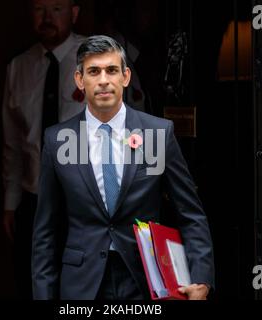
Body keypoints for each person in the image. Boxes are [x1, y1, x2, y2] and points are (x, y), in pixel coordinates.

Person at [31, 35, 215, 300]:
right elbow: (45, 233)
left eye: (112, 70)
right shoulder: (56, 140)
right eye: (94, 71)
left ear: (125, 77)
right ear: (79, 80)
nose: (104, 79)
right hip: (82, 285)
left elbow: (190, 214)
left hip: (145, 280)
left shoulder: (158, 134)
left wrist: (201, 278)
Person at [1, 0, 85, 299]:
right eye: (39, 9)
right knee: (32, 285)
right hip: (34, 202)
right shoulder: (19, 67)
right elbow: (13, 143)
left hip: (83, 201)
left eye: (57, 9)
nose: (47, 18)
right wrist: (11, 204)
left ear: (74, 13)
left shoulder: (99, 59)